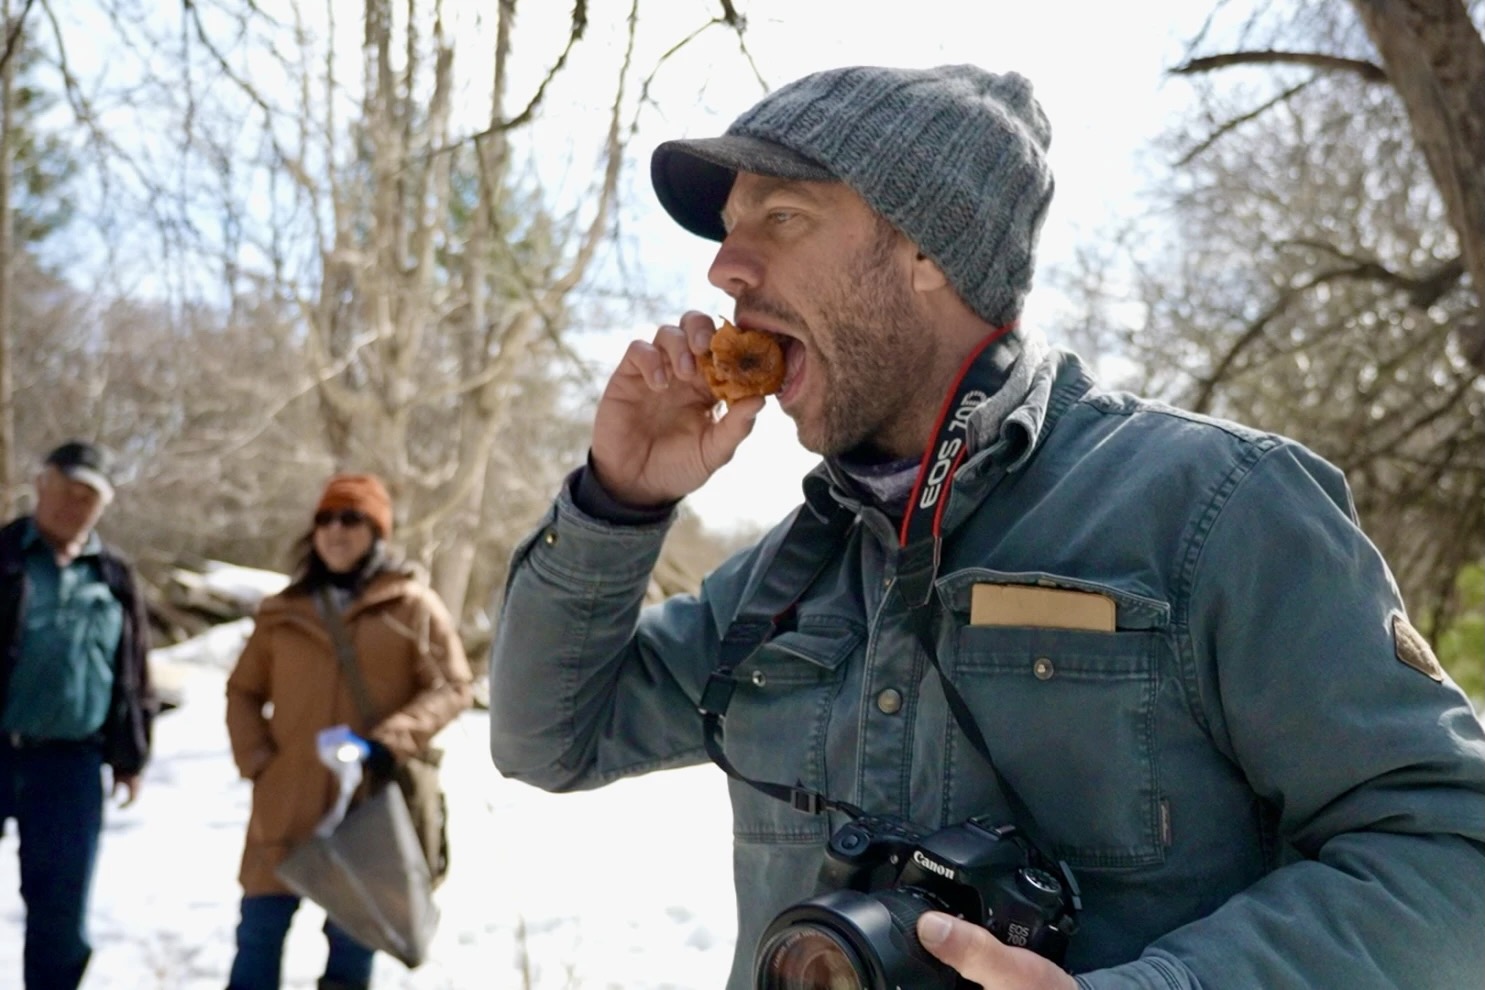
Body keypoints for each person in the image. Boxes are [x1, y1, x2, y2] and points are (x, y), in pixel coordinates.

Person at [488, 63, 1485, 989]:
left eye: (782, 217)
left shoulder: (1218, 507)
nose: (726, 271)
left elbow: (1447, 853)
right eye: (727, 230)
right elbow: (546, 739)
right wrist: (617, 501)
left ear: (929, 249)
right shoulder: (785, 577)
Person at [225, 473, 473, 990]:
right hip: (284, 802)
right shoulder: (281, 612)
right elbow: (243, 692)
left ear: (378, 531)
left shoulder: (411, 605)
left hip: (368, 804)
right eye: (325, 519)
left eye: (351, 519)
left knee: (352, 949)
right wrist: (259, 763)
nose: (335, 530)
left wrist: (391, 742)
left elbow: (452, 686)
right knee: (258, 938)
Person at [0, 440, 154, 990]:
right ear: (41, 485)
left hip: (71, 763)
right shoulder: (5, 556)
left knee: (60, 918)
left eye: (89, 496)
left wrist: (131, 755)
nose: (74, 504)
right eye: (66, 490)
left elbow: (133, 668)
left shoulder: (113, 575)